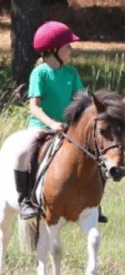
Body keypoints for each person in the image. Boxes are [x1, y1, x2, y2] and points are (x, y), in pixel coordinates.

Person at [12, 21, 109, 222]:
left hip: (68, 129)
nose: (71, 49)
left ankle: (95, 204)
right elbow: (34, 107)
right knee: (23, 152)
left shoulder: (71, 72)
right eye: (67, 45)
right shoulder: (39, 73)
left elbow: (83, 99)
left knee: (98, 156)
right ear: (54, 49)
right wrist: (52, 124)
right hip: (41, 127)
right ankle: (25, 201)